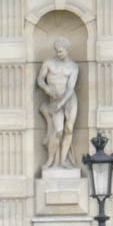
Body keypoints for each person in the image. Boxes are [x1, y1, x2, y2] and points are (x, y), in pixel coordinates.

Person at [37, 38, 79, 173]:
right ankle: (50, 160)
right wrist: (46, 88)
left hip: (69, 100)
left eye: (60, 51)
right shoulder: (49, 63)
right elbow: (40, 79)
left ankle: (63, 160)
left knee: (69, 129)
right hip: (55, 100)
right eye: (56, 51)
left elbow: (71, 88)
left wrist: (62, 103)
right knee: (58, 130)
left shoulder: (73, 66)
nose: (58, 54)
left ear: (66, 50)